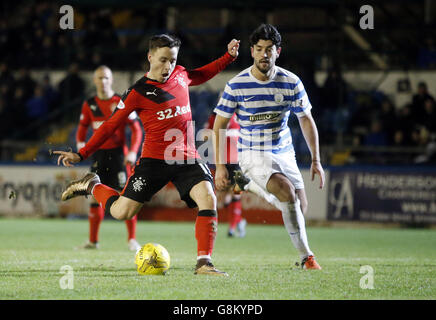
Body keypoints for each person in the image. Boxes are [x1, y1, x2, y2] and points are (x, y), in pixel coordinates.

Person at [54, 34, 240, 276]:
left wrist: (228, 57)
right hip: (153, 161)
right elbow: (110, 126)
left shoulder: (181, 74)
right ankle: (91, 185)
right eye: (162, 60)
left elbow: (203, 74)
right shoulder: (137, 92)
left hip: (186, 157)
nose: (167, 66)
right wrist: (82, 153)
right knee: (122, 212)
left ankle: (204, 263)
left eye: (172, 60)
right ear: (150, 57)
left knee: (208, 198)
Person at [213, 24, 324, 270]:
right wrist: (220, 166)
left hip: (284, 151)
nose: (264, 54)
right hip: (252, 153)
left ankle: (247, 183)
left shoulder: (291, 82)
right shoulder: (236, 84)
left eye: (270, 50)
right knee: (286, 192)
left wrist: (316, 159)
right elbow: (219, 125)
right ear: (252, 51)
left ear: (278, 52)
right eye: (260, 49)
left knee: (299, 206)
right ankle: (308, 258)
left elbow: (306, 119)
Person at [76, 65, 143, 251]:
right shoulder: (89, 104)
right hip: (98, 155)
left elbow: (136, 129)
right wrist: (82, 149)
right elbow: (81, 132)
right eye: (100, 78)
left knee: (127, 197)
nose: (103, 81)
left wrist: (132, 151)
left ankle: (131, 240)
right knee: (93, 195)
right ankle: (93, 241)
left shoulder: (121, 101)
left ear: (111, 80)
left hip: (119, 155)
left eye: (106, 78)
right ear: (94, 81)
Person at [205, 111, 246, 238]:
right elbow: (206, 134)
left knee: (236, 193)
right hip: (222, 162)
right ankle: (239, 221)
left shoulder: (240, 114)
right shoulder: (214, 116)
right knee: (225, 199)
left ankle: (232, 228)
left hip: (238, 160)